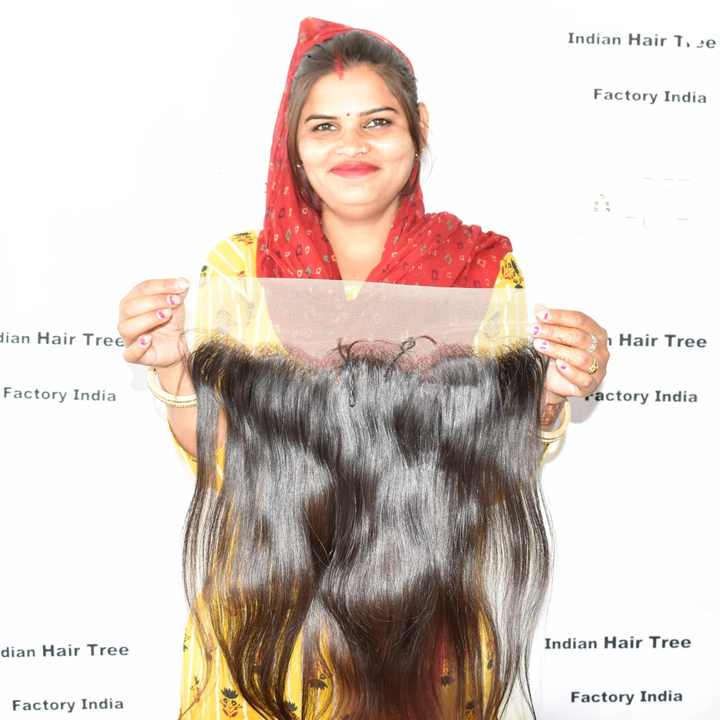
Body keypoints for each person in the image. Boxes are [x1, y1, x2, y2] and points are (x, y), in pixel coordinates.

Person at [117, 17, 609, 720]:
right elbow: (223, 457)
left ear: (419, 127)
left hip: (427, 633)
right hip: (267, 627)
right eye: (323, 126)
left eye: (377, 121)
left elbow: (490, 468)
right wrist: (173, 371)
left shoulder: (480, 270)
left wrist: (549, 396)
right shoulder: (241, 270)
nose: (351, 145)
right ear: (292, 143)